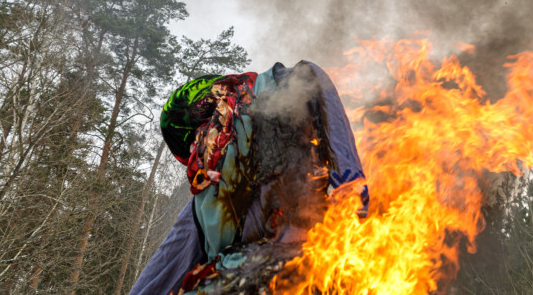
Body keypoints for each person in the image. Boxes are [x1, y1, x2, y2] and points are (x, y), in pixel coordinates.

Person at [130, 61, 368, 295]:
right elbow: (312, 77)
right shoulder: (201, 202)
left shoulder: (200, 203)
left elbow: (162, 270)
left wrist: (348, 182)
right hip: (301, 269)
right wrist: (349, 181)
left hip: (289, 271)